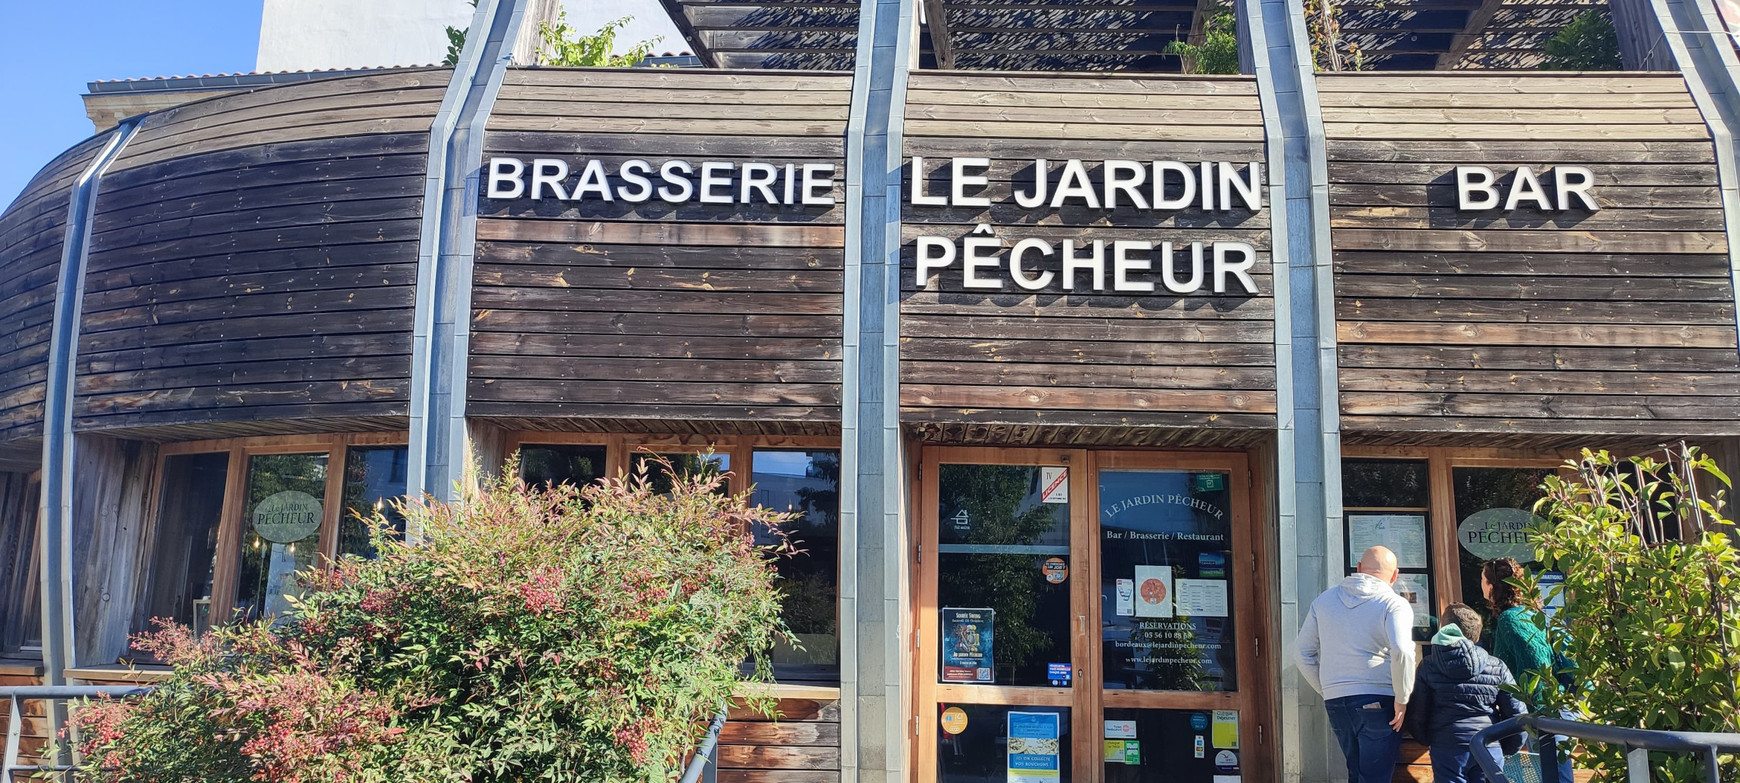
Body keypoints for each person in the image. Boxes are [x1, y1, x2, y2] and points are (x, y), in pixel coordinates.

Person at [1296, 546, 1417, 783]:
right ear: (1395, 576)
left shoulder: (1323, 601)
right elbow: (1402, 650)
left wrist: (1328, 689)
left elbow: (1302, 653)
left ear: (1359, 568)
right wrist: (1402, 698)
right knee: (1375, 777)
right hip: (1378, 697)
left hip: (1336, 700)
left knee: (1356, 773)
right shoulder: (1393, 603)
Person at [1405, 603, 1527, 783]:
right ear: (1476, 636)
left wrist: (1430, 739)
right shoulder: (1496, 665)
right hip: (1488, 744)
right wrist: (1505, 746)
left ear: (1444, 630)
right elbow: (1517, 714)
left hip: (1447, 746)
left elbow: (1417, 714)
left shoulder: (1429, 666)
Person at [1483, 557, 1575, 783]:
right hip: (1559, 706)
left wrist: (1540, 709)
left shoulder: (1510, 619)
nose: (1481, 586)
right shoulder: (1534, 613)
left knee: (1554, 775)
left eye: (1483, 580)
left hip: (1545, 711)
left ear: (1493, 586)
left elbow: (1535, 658)